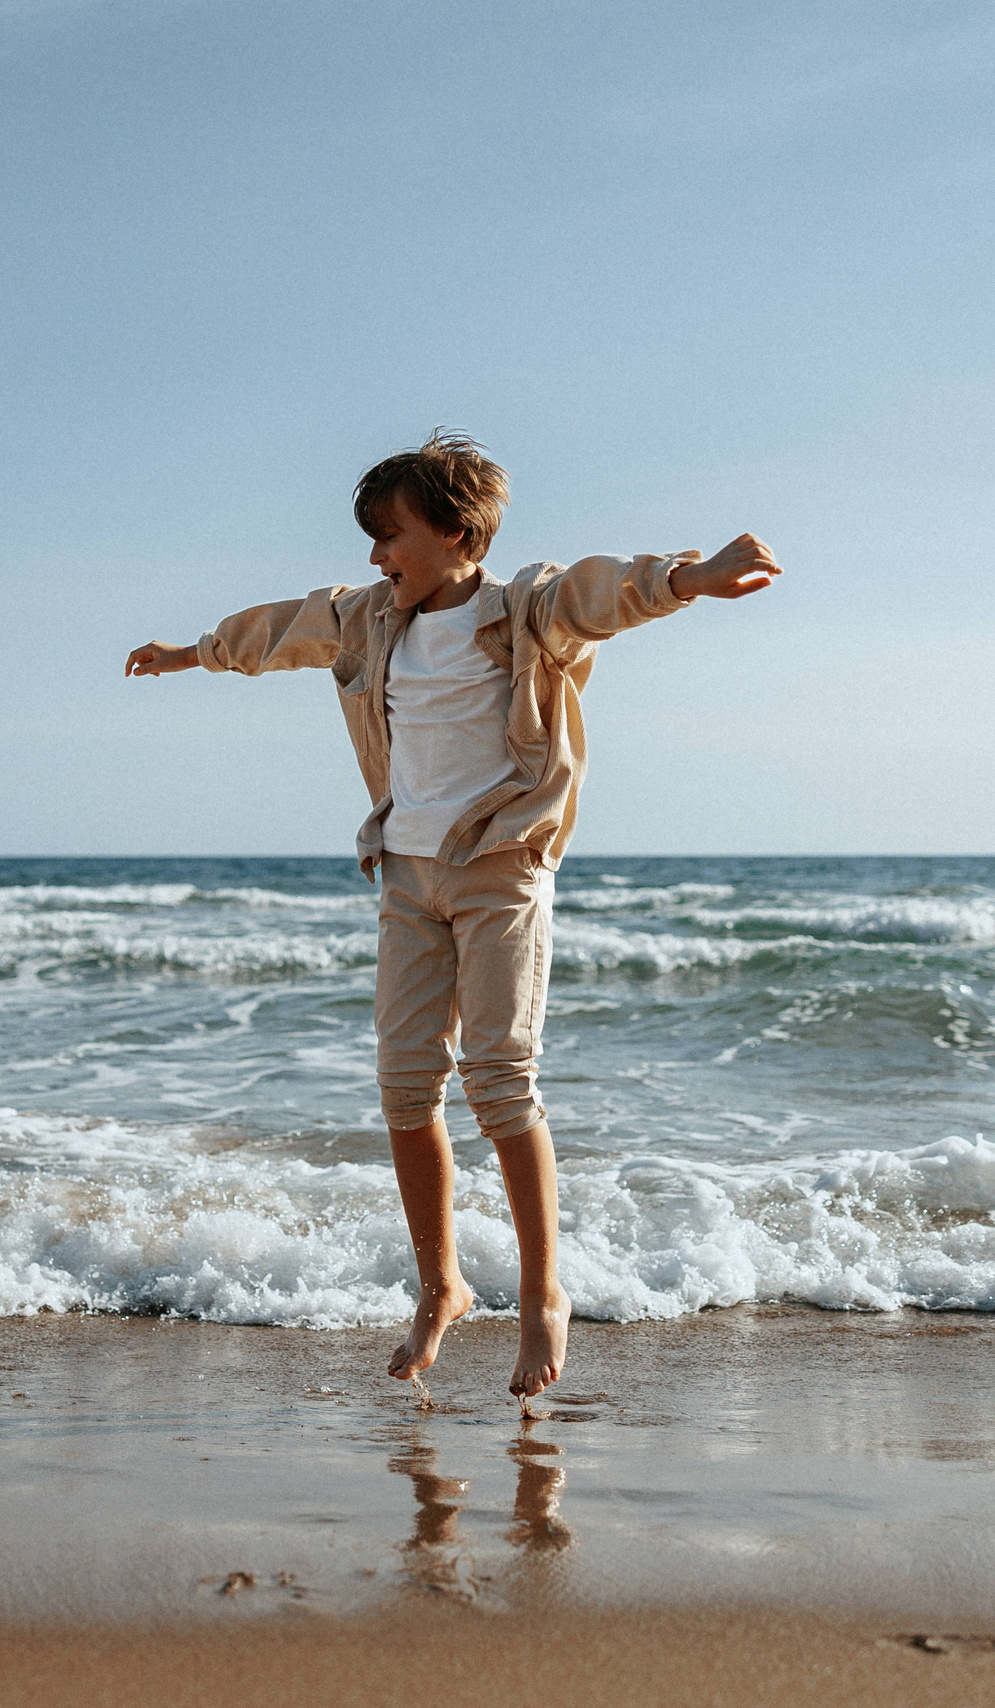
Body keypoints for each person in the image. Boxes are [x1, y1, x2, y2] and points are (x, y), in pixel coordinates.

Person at [124, 433, 782, 1398]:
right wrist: (190, 653)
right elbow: (278, 630)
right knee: (403, 1088)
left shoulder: (525, 612)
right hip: (404, 873)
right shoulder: (366, 622)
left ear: (458, 534)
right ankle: (441, 1285)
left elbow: (610, 590)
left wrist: (693, 576)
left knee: (500, 1079)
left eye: (390, 535)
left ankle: (543, 1294)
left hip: (499, 867)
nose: (376, 555)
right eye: (373, 539)